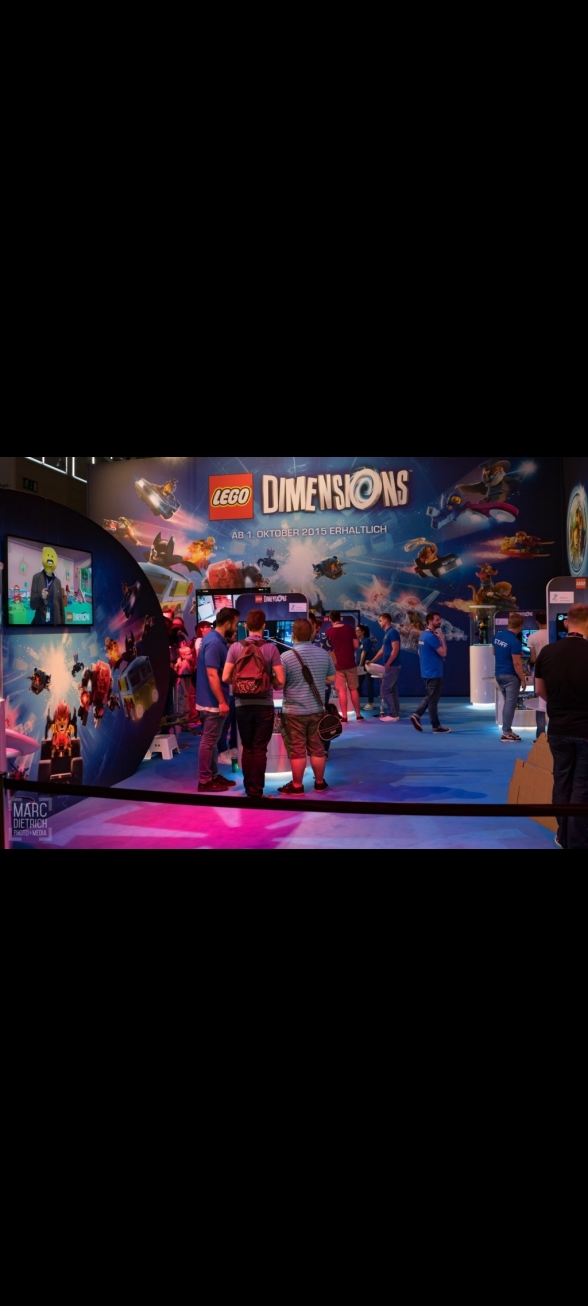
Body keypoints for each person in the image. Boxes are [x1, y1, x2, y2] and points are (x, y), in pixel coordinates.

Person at [535, 605, 588, 851]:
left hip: (557, 727)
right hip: (585, 729)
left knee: (561, 782)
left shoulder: (548, 652)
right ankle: (576, 841)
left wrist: (557, 705)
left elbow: (539, 690)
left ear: (566, 623)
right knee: (582, 785)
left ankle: (564, 836)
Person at [223, 610, 285, 798]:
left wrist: (242, 684)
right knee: (259, 749)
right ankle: (256, 792)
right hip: (264, 705)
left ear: (246, 626)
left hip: (242, 705)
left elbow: (225, 677)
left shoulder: (235, 647)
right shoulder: (271, 649)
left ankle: (249, 789)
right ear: (263, 626)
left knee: (247, 748)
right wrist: (267, 681)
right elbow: (280, 681)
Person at [278, 618, 336, 796]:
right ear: (312, 634)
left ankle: (297, 786)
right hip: (317, 710)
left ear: (293, 635)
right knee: (318, 748)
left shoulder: (285, 657)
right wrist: (319, 680)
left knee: (297, 750)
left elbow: (280, 683)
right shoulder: (323, 654)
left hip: (294, 712)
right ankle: (319, 783)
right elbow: (332, 678)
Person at [195, 607, 240, 792]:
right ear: (227, 623)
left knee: (212, 741)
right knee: (208, 741)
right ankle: (205, 780)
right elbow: (212, 674)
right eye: (235, 624)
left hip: (211, 701)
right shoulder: (214, 642)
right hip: (212, 703)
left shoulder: (214, 639)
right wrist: (221, 701)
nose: (236, 628)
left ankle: (212, 775)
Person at [411, 613, 451, 734]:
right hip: (434, 673)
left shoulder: (422, 635)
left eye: (440, 619)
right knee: (433, 699)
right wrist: (442, 639)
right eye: (437, 620)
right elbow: (443, 653)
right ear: (430, 621)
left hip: (426, 672)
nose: (440, 622)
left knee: (431, 697)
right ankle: (434, 725)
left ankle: (419, 716)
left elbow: (419, 653)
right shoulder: (432, 637)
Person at [492, 612, 526, 742]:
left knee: (507, 703)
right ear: (520, 625)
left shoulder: (496, 636)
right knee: (510, 705)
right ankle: (506, 732)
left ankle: (507, 731)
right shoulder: (515, 641)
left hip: (499, 674)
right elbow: (517, 664)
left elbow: (494, 652)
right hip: (511, 676)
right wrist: (523, 679)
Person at [328, 611, 363, 722]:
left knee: (342, 691)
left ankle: (344, 717)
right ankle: (358, 715)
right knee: (353, 689)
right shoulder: (349, 629)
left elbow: (328, 650)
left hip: (337, 665)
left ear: (330, 619)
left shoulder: (329, 632)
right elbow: (356, 645)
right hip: (350, 663)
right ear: (340, 618)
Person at [371, 614, 402, 722]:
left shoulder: (392, 632)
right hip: (391, 665)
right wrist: (372, 660)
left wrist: (388, 663)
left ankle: (392, 714)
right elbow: (382, 650)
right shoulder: (387, 633)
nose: (379, 622)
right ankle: (395, 712)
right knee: (392, 689)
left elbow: (395, 649)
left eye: (380, 620)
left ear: (386, 620)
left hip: (392, 665)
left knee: (385, 689)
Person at [30, 546, 66, 626]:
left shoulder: (58, 582)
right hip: (40, 623)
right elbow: (32, 605)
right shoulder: (36, 577)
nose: (50, 559)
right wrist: (41, 596)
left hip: (55, 623)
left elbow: (61, 606)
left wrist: (63, 624)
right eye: (48, 556)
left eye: (52, 557)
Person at [527, 610, 549, 738]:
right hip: (554, 671)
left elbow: (533, 658)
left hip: (539, 672)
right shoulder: (553, 633)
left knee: (540, 704)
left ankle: (540, 736)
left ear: (537, 622)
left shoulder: (532, 637)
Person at [357, 625, 377, 710]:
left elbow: (363, 653)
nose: (356, 632)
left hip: (367, 666)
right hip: (361, 667)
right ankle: (356, 702)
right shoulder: (360, 642)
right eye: (356, 631)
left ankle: (370, 703)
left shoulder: (367, 641)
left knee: (369, 684)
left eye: (358, 631)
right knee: (357, 684)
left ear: (363, 632)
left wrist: (360, 665)